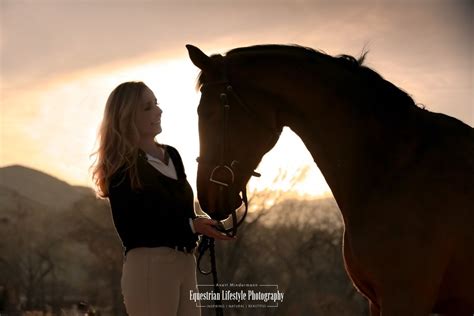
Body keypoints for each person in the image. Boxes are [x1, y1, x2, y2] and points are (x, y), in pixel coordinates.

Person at [91, 81, 232, 316]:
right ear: (127, 117)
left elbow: (178, 213)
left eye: (156, 104)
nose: (158, 111)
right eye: (147, 107)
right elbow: (134, 227)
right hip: (149, 265)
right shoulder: (122, 167)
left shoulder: (172, 155)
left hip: (185, 263)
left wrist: (199, 223)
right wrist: (191, 226)